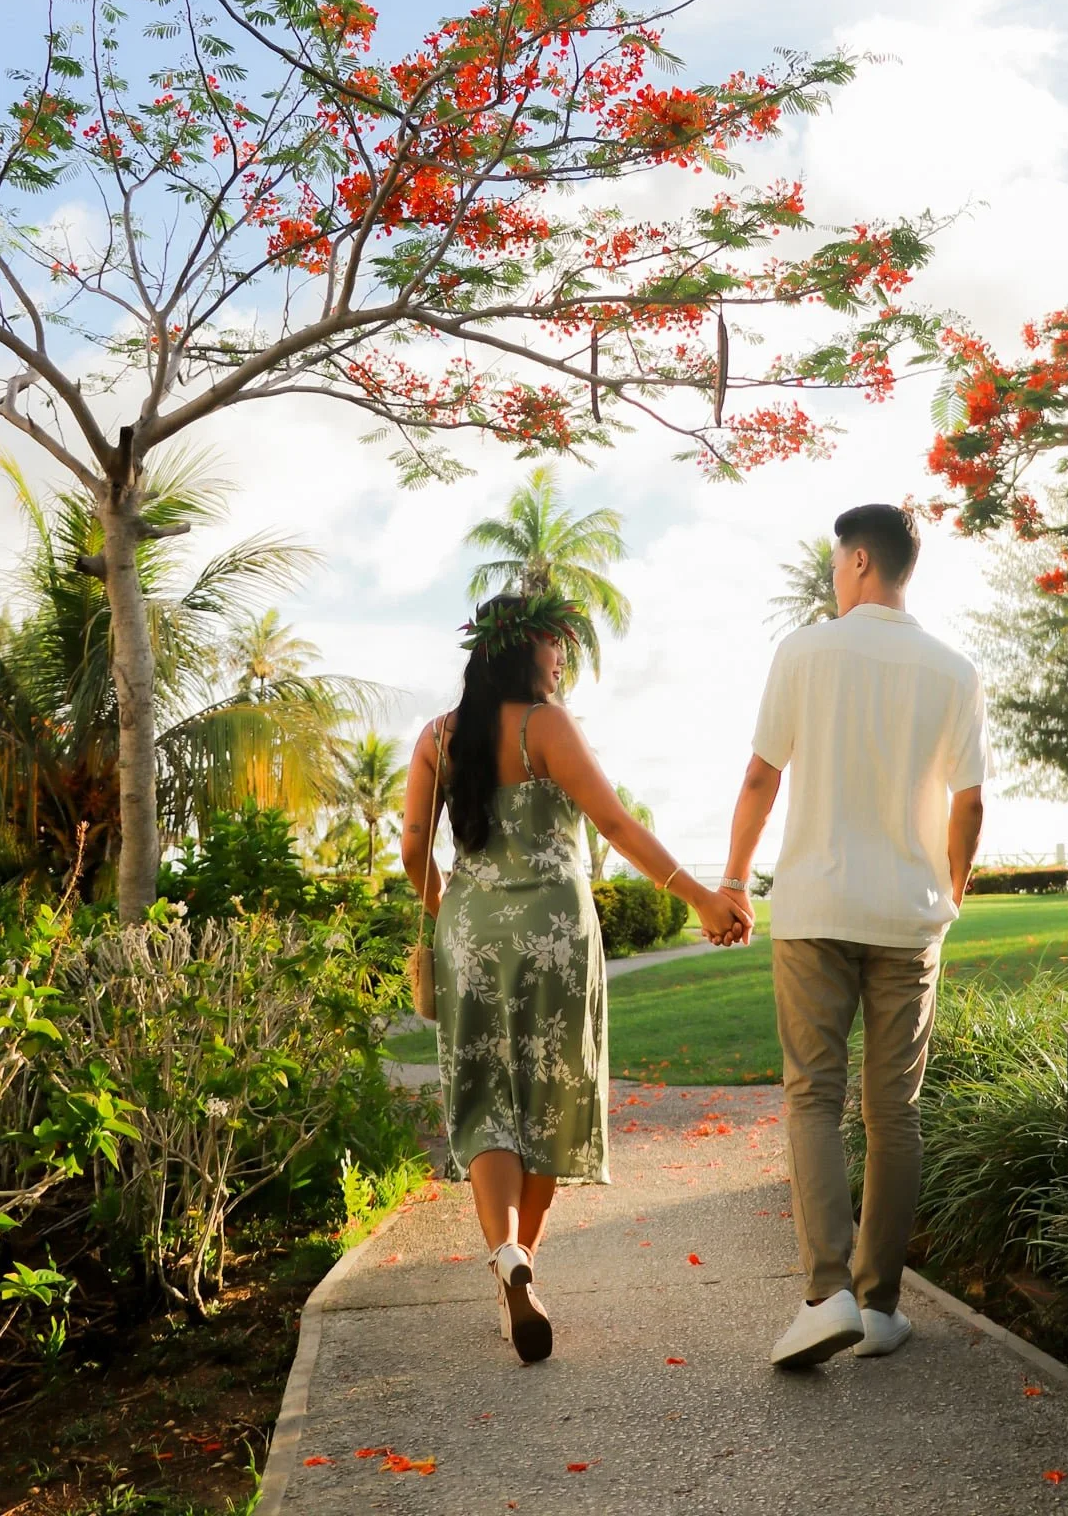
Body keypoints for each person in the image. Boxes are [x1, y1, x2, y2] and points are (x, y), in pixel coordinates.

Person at [402, 590, 750, 1365]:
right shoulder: (546, 726)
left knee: (486, 1099)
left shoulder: (436, 736)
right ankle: (525, 1262)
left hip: (469, 931)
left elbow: (412, 852)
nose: (563, 661)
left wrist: (455, 914)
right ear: (523, 650)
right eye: (556, 647)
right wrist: (701, 898)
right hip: (555, 935)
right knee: (551, 1096)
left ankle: (507, 1263)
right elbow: (616, 825)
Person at [718, 503, 990, 1368]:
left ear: (862, 562)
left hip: (815, 908)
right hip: (906, 919)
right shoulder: (954, 670)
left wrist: (731, 878)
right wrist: (950, 886)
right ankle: (876, 1308)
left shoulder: (805, 651)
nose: (835, 576)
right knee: (892, 1113)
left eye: (838, 563)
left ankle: (824, 1292)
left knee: (812, 1097)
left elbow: (762, 775)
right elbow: (969, 801)